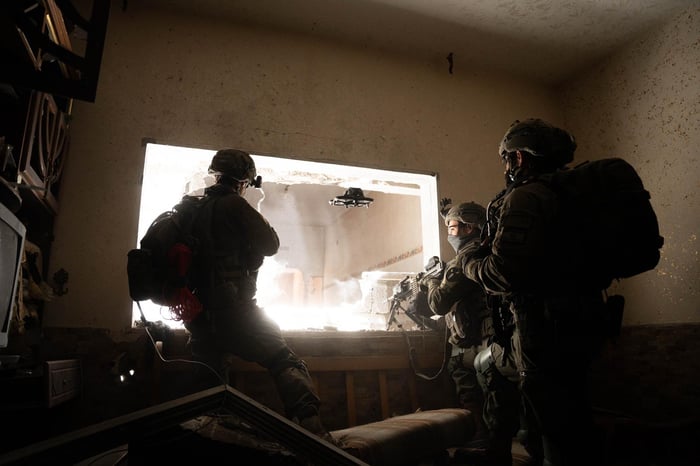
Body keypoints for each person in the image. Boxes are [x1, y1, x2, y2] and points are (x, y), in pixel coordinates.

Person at [460, 119, 607, 466]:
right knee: (572, 415)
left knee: (553, 425)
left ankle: (512, 450)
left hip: (543, 329)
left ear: (520, 158)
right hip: (587, 320)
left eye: (507, 158)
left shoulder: (527, 196)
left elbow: (501, 274)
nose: (507, 166)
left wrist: (469, 260)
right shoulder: (577, 197)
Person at [184, 149, 334, 443]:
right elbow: (270, 245)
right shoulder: (235, 205)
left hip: (198, 316)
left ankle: (210, 446)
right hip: (238, 312)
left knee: (211, 392)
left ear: (215, 174)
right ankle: (315, 434)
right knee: (284, 360)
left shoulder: (191, 208)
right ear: (244, 181)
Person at [419, 202, 495, 448]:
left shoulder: (465, 258)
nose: (449, 233)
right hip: (494, 341)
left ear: (468, 227)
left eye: (451, 227)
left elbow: (438, 304)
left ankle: (481, 436)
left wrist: (432, 280)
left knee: (461, 372)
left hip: (477, 343)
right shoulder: (490, 251)